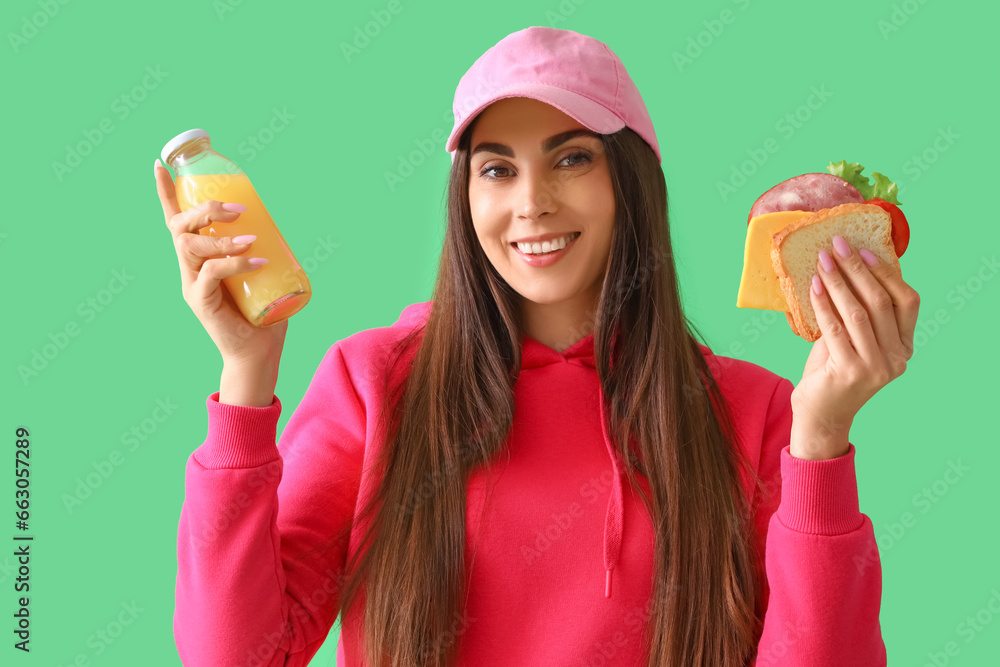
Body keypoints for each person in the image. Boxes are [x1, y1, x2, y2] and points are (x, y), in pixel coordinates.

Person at [156, 26, 918, 667]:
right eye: (497, 168)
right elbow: (238, 653)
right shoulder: (373, 383)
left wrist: (820, 444)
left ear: (632, 183)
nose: (531, 203)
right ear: (466, 198)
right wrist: (247, 374)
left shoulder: (757, 412)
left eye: (572, 157)